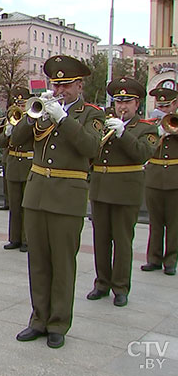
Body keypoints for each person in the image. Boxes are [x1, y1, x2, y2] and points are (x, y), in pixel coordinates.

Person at [13, 55, 103, 349]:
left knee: (63, 263)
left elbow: (91, 148)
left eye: (66, 85)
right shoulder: (43, 112)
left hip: (68, 195)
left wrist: (63, 118)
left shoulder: (90, 114)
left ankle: (58, 323)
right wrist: (32, 114)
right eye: (56, 84)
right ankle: (38, 318)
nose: (60, 89)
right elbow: (16, 140)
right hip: (37, 192)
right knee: (37, 261)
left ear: (79, 85)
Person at [87, 77, 157, 307]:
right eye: (118, 101)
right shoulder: (105, 123)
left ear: (137, 104)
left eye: (127, 102)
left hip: (125, 190)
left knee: (123, 241)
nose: (122, 106)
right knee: (101, 239)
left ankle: (121, 287)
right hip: (101, 188)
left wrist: (123, 134)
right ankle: (102, 283)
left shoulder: (146, 128)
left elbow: (142, 154)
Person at [142, 84, 178, 275]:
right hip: (154, 177)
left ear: (174, 105)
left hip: (174, 178)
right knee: (155, 222)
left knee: (174, 222)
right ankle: (154, 258)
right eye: (161, 106)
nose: (163, 110)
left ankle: (171, 260)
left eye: (167, 107)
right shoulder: (150, 124)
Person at [0, 88, 34, 252]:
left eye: (23, 102)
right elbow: (0, 142)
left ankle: (27, 239)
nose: (20, 105)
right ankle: (14, 238)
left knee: (27, 205)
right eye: (18, 102)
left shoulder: (33, 119)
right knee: (14, 204)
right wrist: (6, 132)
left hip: (28, 162)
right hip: (13, 162)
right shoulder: (9, 118)